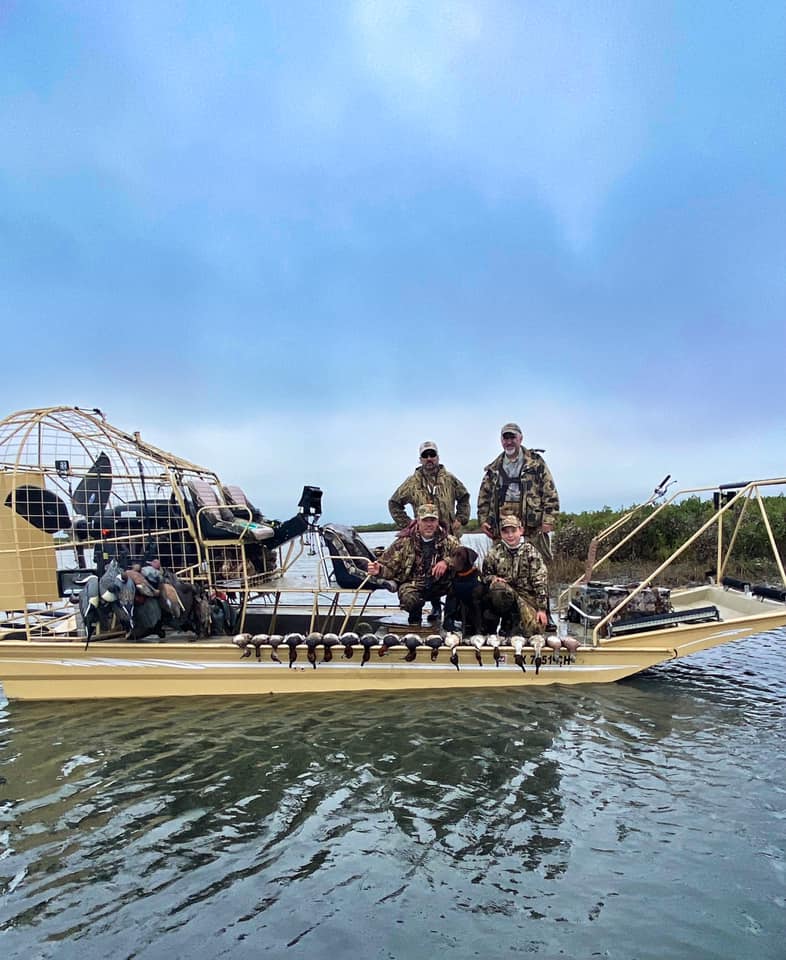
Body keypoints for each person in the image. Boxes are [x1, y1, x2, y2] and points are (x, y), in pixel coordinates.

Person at [477, 421, 559, 561]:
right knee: (500, 566)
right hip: (502, 526)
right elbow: (484, 496)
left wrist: (549, 519)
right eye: (505, 438)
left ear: (520, 438)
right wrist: (483, 520)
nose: (509, 442)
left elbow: (550, 492)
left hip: (531, 526)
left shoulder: (536, 463)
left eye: (512, 438)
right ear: (501, 441)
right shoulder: (493, 468)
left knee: (537, 563)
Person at [367, 503, 460, 625]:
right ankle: (415, 619)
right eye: (425, 520)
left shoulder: (450, 541)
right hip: (414, 584)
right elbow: (388, 568)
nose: (429, 524)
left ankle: (449, 621)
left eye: (432, 520)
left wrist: (446, 562)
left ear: (438, 521)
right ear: (418, 521)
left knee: (461, 586)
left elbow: (463, 558)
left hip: (440, 584)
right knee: (409, 599)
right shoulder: (403, 542)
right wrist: (378, 570)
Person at [481, 515, 549, 635]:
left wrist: (542, 609)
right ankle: (500, 623)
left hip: (526, 597)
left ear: (521, 531)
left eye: (513, 531)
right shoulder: (494, 553)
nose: (510, 535)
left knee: (535, 630)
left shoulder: (531, 552)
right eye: (505, 532)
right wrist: (492, 579)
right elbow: (484, 576)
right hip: (505, 595)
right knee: (497, 589)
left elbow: (540, 581)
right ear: (501, 533)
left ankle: (517, 622)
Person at [388, 441, 470, 536]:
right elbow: (394, 503)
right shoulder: (411, 483)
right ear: (420, 459)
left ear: (438, 457)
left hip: (449, 535)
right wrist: (408, 524)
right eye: (425, 455)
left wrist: (460, 519)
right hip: (422, 538)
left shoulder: (450, 479)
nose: (429, 458)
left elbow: (464, 497)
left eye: (432, 455)